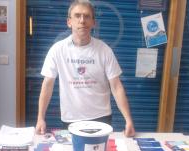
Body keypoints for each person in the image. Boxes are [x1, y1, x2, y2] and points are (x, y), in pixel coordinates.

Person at [35, 0, 135, 137]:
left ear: (94, 22)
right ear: (69, 22)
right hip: (71, 119)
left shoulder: (104, 50)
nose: (82, 20)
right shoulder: (57, 50)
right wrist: (40, 118)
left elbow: (116, 86)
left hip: (102, 118)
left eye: (87, 16)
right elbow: (47, 85)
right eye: (77, 16)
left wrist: (128, 119)